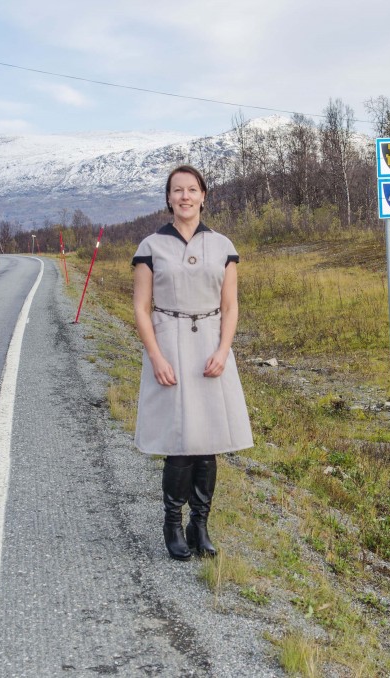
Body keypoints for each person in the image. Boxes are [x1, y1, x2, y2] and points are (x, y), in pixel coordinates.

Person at [131, 165, 254, 561]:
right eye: (177, 190)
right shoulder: (151, 245)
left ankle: (199, 524)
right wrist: (155, 356)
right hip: (168, 341)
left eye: (192, 190)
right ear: (168, 199)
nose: (184, 196)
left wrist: (223, 350)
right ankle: (172, 523)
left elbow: (231, 306)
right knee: (180, 443)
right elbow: (140, 307)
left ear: (203, 195)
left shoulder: (222, 245)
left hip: (210, 347)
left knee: (207, 442)